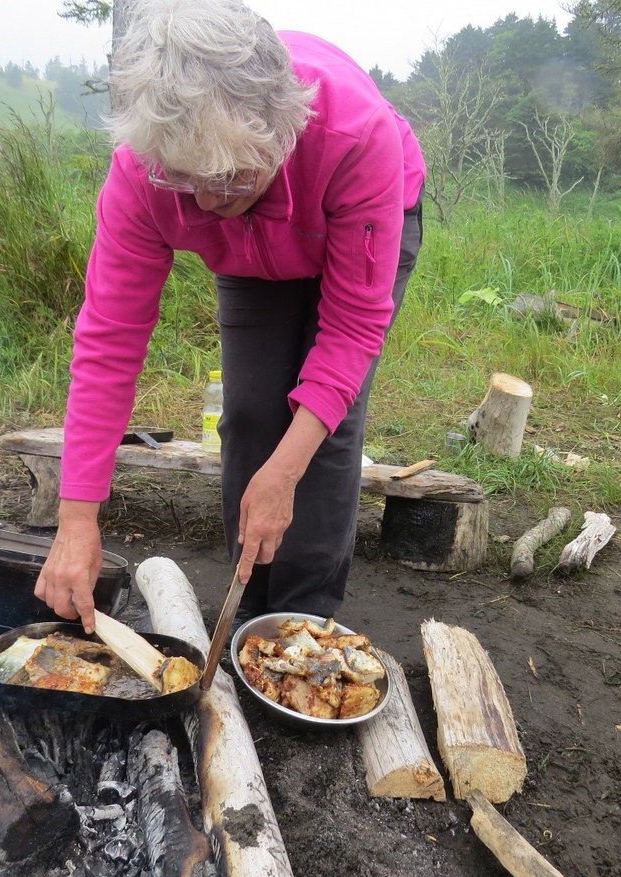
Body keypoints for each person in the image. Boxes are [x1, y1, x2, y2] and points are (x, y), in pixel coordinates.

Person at [34, 0, 425, 633]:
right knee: (248, 417)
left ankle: (301, 623)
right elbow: (109, 341)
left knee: (321, 436)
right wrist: (77, 521)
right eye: (189, 180)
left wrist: (287, 469)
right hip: (254, 257)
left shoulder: (355, 134)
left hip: (352, 221)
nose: (211, 203)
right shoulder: (148, 172)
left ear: (279, 130)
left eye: (231, 176)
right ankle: (249, 603)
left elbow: (352, 328)